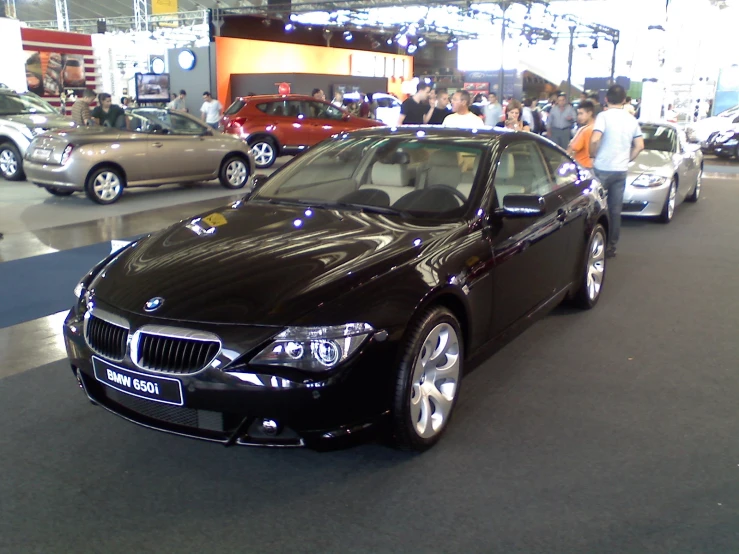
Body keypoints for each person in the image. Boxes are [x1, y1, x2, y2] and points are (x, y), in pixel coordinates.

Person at [590, 84, 644, 258]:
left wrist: (593, 154)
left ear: (606, 99)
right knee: (615, 210)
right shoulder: (631, 119)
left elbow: (595, 138)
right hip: (620, 170)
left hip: (602, 168)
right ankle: (611, 247)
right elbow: (639, 146)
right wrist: (627, 159)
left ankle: (593, 243)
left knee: (595, 207)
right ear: (623, 100)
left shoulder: (603, 116)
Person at [567, 100, 595, 168]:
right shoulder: (598, 127)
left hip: (583, 166)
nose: (579, 117)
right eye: (578, 114)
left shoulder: (584, 130)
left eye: (581, 113)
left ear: (589, 113)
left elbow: (572, 149)